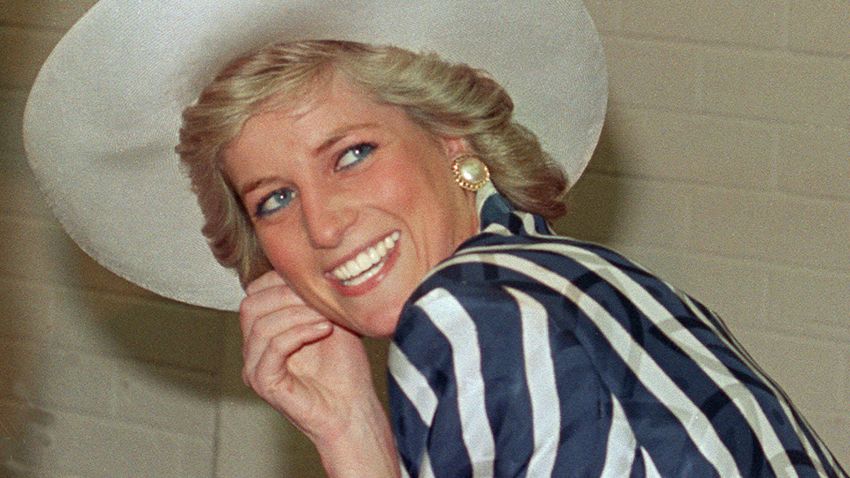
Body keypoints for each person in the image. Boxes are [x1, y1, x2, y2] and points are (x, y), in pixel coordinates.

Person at [22, 2, 846, 477]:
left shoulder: (472, 314)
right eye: (274, 199)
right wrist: (350, 424)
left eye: (352, 153)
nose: (322, 225)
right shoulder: (583, 283)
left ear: (454, 142)